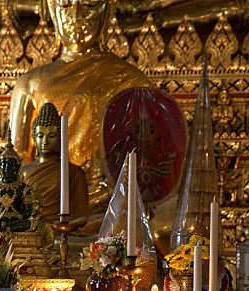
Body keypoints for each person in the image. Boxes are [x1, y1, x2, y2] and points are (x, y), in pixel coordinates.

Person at [9, 0, 150, 214]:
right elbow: (17, 156)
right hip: (47, 205)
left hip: (108, 203)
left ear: (108, 10)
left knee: (162, 226)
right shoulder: (29, 83)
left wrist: (108, 192)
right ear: (50, 10)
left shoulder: (131, 80)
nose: (76, 16)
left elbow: (150, 155)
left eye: (90, 5)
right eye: (65, 5)